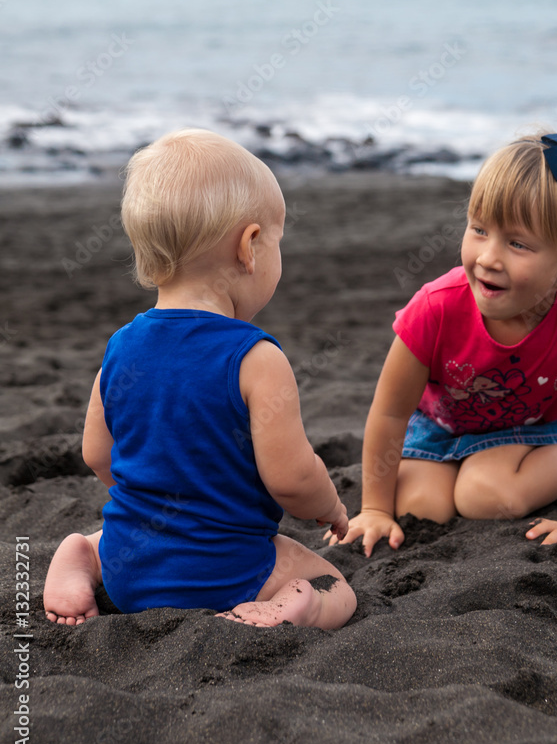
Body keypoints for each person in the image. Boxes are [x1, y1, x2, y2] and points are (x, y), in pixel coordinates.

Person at [44, 128, 356, 629]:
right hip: (228, 573)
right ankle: (289, 604)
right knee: (332, 584)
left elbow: (97, 455)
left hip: (129, 570)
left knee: (105, 540)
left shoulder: (121, 347)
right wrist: (331, 505)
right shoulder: (256, 358)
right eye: (277, 242)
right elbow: (293, 479)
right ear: (249, 247)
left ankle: (81, 555)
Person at [328, 132, 557, 556]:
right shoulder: (435, 307)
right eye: (479, 229)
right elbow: (389, 413)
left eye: (517, 243)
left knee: (483, 496)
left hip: (535, 435)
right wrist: (374, 509)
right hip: (440, 430)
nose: (487, 258)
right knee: (420, 507)